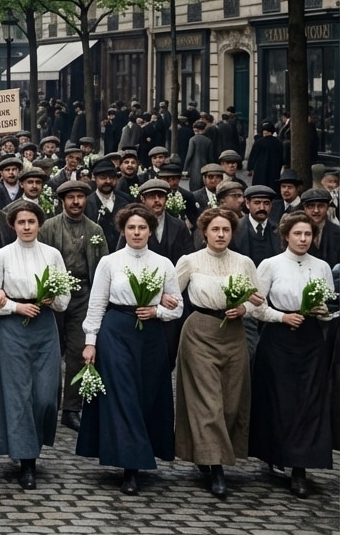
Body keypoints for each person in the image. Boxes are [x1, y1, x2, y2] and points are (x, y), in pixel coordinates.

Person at [77, 203, 183, 495]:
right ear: (123, 230)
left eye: (143, 228)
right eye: (132, 228)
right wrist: (90, 342)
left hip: (150, 336)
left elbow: (177, 307)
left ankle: (138, 456)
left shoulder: (163, 264)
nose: (137, 233)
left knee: (145, 395)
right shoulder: (110, 262)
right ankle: (130, 468)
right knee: (122, 396)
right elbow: (97, 303)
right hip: (116, 332)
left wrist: (158, 311)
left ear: (151, 230)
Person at [0, 200, 70, 490]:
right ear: (13, 225)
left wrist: (50, 299)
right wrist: (13, 307)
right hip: (12, 329)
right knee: (18, 395)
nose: (27, 227)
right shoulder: (1, 256)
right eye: (21, 222)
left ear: (39, 224)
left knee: (45, 395)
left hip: (44, 327)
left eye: (31, 222)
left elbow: (64, 298)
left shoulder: (52, 254)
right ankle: (26, 461)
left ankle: (36, 443)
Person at [250, 211, 335, 498]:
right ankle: (277, 454)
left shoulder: (322, 266)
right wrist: (281, 317)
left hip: (311, 340)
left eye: (308, 234)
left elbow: (327, 303)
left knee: (308, 402)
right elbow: (255, 306)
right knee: (281, 399)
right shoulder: (271, 265)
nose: (303, 239)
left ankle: (301, 468)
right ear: (286, 235)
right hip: (278, 339)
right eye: (298, 234)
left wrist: (321, 312)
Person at [172, 208, 256, 499]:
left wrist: (245, 308)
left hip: (233, 334)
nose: (221, 235)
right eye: (215, 230)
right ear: (204, 232)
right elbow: (169, 293)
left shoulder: (244, 263)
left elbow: (258, 300)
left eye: (226, 230)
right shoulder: (190, 261)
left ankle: (209, 454)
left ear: (233, 233)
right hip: (200, 332)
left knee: (231, 402)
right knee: (208, 402)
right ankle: (216, 468)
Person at [36, 180, 110, 432]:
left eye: (80, 197)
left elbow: (102, 268)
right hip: (53, 296)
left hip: (83, 296)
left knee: (80, 351)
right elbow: (39, 259)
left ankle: (71, 408)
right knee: (51, 351)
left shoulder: (95, 229)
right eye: (71, 197)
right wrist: (45, 291)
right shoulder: (49, 227)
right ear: (62, 201)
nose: (76, 202)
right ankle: (47, 403)